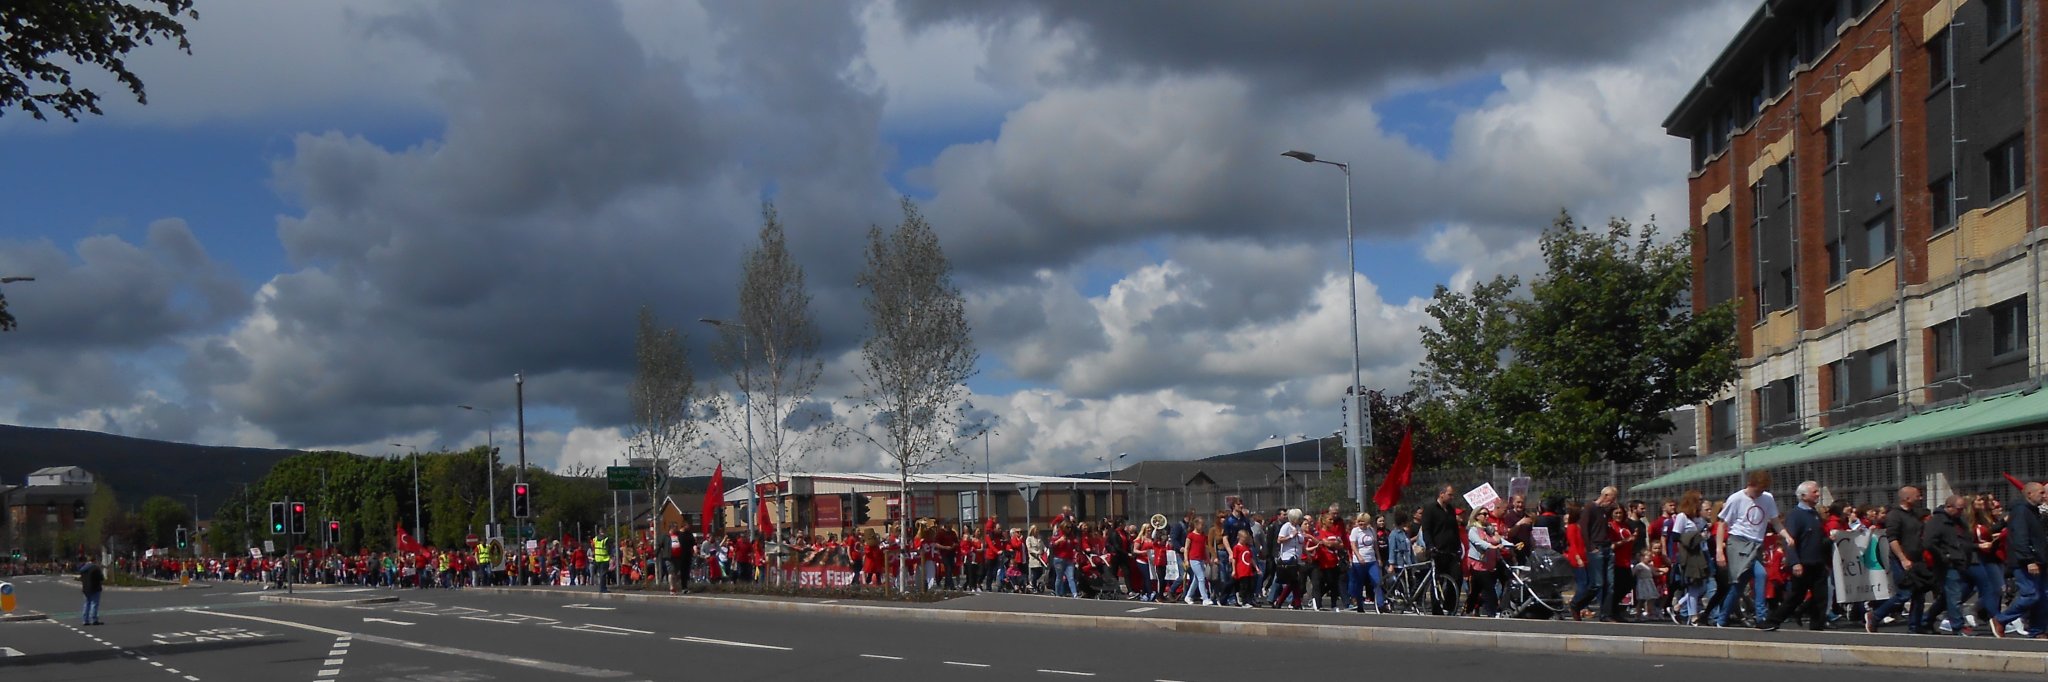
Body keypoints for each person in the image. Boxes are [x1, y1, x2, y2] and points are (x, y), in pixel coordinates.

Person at [1715, 472, 1789, 628]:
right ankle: (1760, 617)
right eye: (1757, 490)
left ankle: (1722, 619)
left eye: (1762, 490)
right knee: (1759, 575)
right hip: (1738, 542)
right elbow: (1722, 524)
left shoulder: (1767, 498)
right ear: (1750, 485)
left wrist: (1787, 536)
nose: (1760, 494)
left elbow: (1775, 521)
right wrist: (1719, 550)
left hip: (1756, 544)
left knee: (1740, 584)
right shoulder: (1736, 499)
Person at [1759, 481, 1829, 632]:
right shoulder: (1795, 515)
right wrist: (1795, 562)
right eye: (1814, 492)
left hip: (1817, 563)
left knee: (1821, 597)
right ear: (1803, 496)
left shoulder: (1814, 514)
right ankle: (1772, 621)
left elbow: (1819, 539)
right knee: (1795, 597)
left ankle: (1817, 627)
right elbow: (1789, 540)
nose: (1818, 494)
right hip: (1803, 564)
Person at [1868, 486, 1933, 633]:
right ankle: (1876, 616)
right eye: (1917, 495)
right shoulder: (1895, 515)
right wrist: (1903, 558)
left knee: (1919, 593)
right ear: (1907, 498)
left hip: (1917, 559)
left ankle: (1915, 626)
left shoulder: (1915, 515)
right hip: (1901, 560)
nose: (1920, 498)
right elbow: (1893, 538)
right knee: (1905, 592)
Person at [1993, 482, 2048, 639]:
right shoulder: (2021, 511)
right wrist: (2029, 559)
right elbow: (2020, 537)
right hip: (2025, 562)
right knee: (2031, 595)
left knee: (2044, 596)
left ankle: (2037, 630)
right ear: (2029, 494)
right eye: (2041, 493)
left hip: (2040, 560)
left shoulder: (2035, 511)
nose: (2044, 496)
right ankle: (2001, 619)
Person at [1923, 494, 1977, 636]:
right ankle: (1958, 627)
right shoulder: (1937, 521)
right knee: (1954, 595)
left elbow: (1964, 539)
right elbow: (1928, 542)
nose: (1961, 512)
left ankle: (1926, 620)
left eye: (1962, 509)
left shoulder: (1959, 521)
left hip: (1961, 562)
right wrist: (1944, 555)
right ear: (1949, 507)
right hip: (1947, 564)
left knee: (1949, 596)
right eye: (1958, 509)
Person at [1421, 485, 1462, 615]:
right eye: (1450, 495)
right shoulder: (1430, 509)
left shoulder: (1450, 509)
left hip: (1451, 551)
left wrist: (1458, 546)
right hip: (1437, 551)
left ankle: (1449, 606)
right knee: (1436, 580)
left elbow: (1454, 530)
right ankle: (1436, 608)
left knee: (1457, 577)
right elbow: (1426, 530)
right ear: (1441, 494)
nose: (1451, 497)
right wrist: (1430, 546)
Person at [1348, 513, 1383, 613]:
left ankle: (1380, 604)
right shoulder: (1355, 531)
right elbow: (1353, 545)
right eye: (1359, 521)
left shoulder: (1371, 530)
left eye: (1363, 521)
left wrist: (1378, 558)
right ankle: (1359, 604)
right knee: (1359, 584)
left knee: (1377, 581)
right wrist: (1359, 557)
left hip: (1371, 560)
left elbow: (1375, 545)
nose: (1361, 523)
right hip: (1359, 562)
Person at [78, 554, 105, 626]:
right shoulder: (95, 568)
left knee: (86, 604)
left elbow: (81, 578)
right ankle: (94, 619)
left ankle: (85, 620)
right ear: (94, 560)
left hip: (86, 588)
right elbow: (101, 578)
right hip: (95, 588)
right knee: (94, 604)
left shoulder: (83, 568)